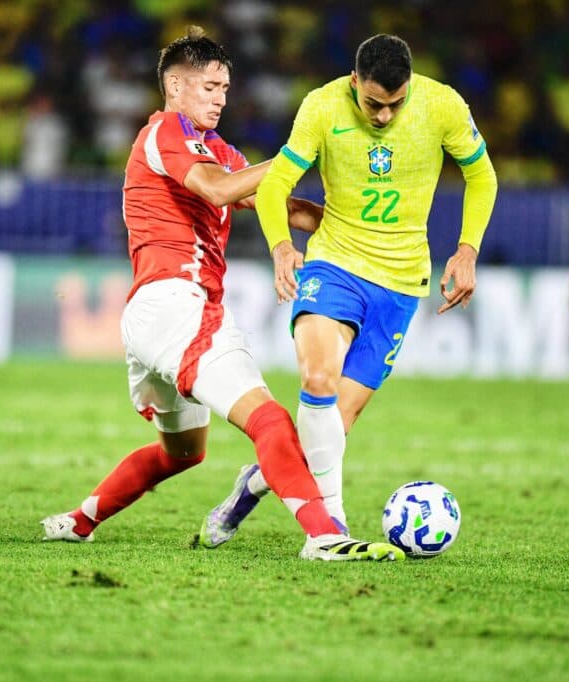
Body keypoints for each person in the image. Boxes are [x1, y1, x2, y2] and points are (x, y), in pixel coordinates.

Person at [40, 27, 404, 562]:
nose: (220, 97)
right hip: (176, 305)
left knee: (182, 453)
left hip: (156, 316)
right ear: (175, 87)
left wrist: (352, 228)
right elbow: (214, 190)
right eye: (210, 86)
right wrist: (296, 155)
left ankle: (78, 522)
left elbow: (281, 202)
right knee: (271, 419)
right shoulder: (164, 131)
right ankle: (324, 536)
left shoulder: (219, 151)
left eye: (226, 87)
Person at [198, 34, 497, 547]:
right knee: (318, 378)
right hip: (334, 265)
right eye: (374, 104)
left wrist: (467, 249)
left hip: (402, 284)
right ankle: (330, 527)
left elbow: (482, 176)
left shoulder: (442, 104)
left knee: (332, 427)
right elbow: (273, 185)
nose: (384, 116)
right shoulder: (321, 106)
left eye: (395, 105)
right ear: (355, 82)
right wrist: (280, 248)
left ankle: (253, 483)